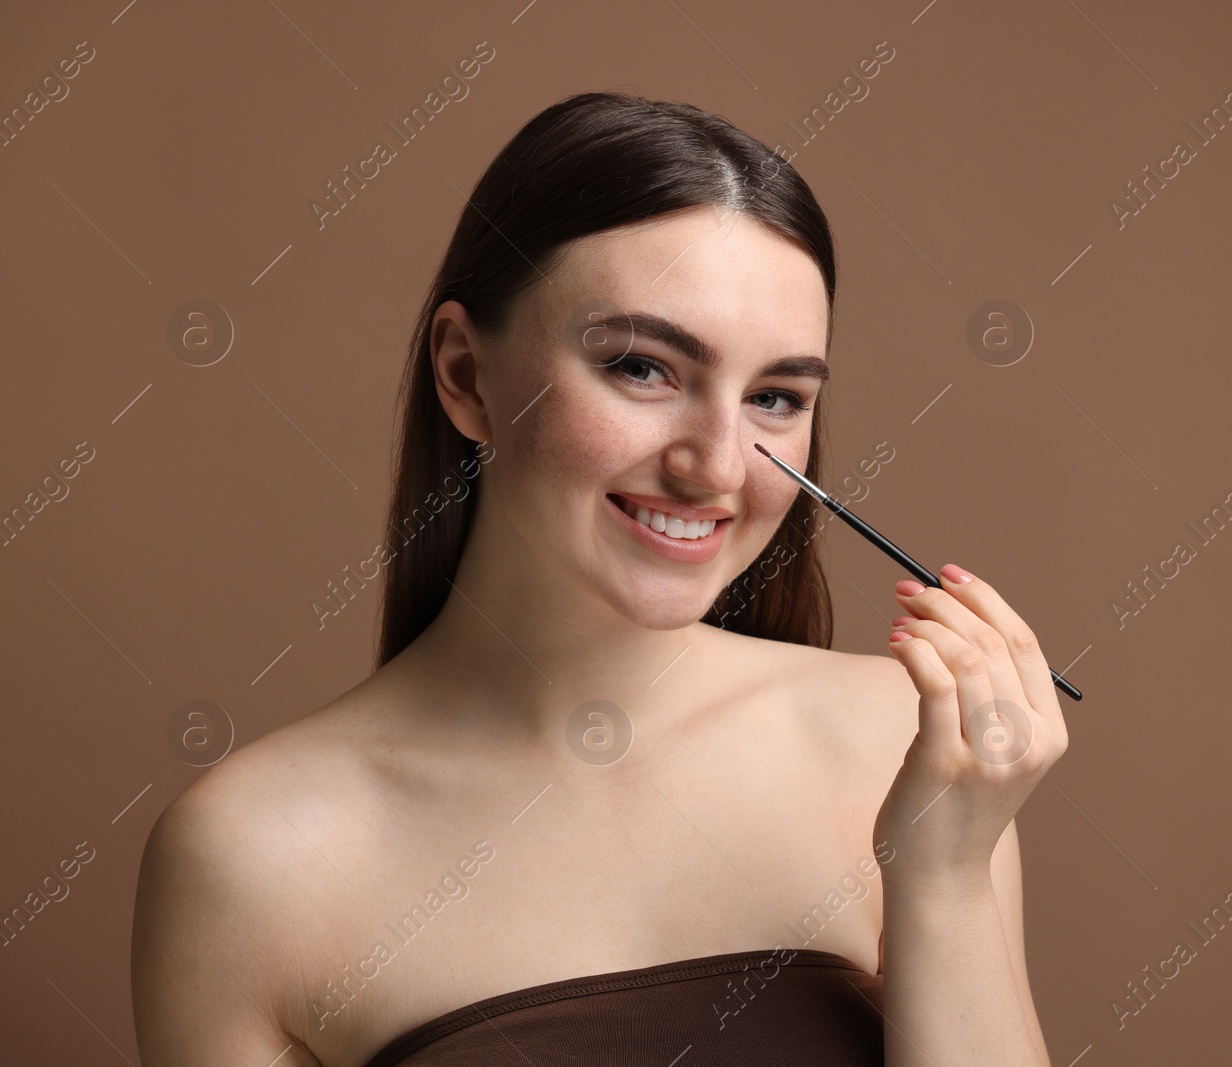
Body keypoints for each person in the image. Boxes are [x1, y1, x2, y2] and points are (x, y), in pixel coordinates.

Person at [131, 90, 1066, 1066]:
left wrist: (945, 874)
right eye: (642, 367)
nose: (714, 464)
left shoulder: (906, 748)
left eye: (775, 397)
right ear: (464, 372)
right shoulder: (251, 857)